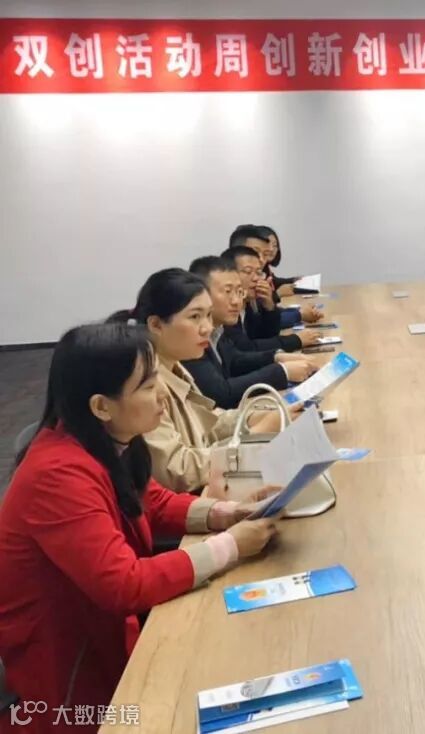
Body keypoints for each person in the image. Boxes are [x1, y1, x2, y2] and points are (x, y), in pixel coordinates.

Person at [0, 323, 279, 732]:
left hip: (106, 635)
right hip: (70, 678)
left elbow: (152, 501)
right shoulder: (56, 475)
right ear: (101, 406)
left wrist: (227, 512)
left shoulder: (106, 439)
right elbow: (125, 583)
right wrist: (230, 546)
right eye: (148, 386)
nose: (162, 393)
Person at [109, 269, 288, 493]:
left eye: (208, 315)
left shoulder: (175, 365)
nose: (208, 328)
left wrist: (253, 417)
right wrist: (253, 436)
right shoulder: (143, 385)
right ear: (155, 324)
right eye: (195, 317)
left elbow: (209, 421)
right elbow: (177, 470)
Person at [184, 256, 315, 409]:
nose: (236, 301)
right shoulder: (189, 337)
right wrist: (282, 372)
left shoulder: (217, 328)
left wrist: (276, 357)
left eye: (239, 292)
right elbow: (221, 394)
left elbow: (234, 360)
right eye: (228, 291)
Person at [221, 244, 320, 352]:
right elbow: (246, 348)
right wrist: (295, 340)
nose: (256, 278)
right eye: (248, 272)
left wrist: (269, 306)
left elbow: (265, 336)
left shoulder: (249, 302)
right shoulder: (226, 308)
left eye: (259, 272)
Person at [229, 225, 321, 326]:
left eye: (266, 254)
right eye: (255, 252)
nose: (261, 259)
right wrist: (298, 314)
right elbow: (257, 329)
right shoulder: (229, 294)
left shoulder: (258, 278)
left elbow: (260, 327)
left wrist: (271, 306)